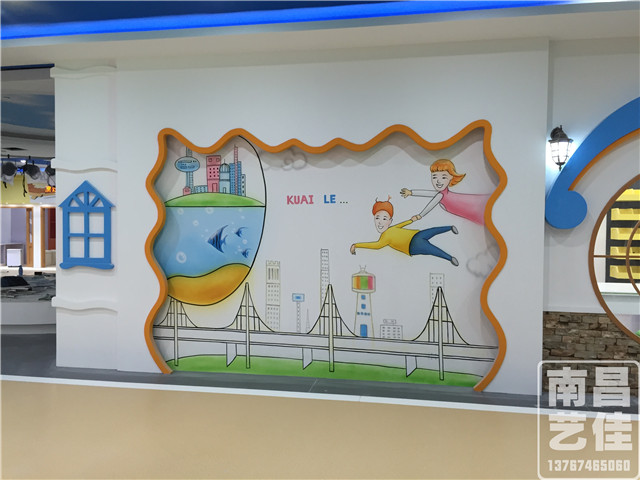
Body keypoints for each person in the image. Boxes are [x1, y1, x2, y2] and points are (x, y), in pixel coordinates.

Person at [350, 197, 458, 266]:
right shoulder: (384, 238)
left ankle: (449, 228)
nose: (380, 222)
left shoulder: (391, 228)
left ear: (390, 221)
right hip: (412, 246)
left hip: (417, 234)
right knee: (432, 249)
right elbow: (376, 245)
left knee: (433, 231)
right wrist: (356, 245)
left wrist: (411, 220)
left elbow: (401, 225)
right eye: (377, 218)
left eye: (384, 218)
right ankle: (450, 258)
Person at [400, 159, 489, 226]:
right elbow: (430, 194)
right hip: (467, 205)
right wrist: (411, 192)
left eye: (443, 177)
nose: (438, 181)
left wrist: (419, 216)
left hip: (469, 205)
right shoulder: (441, 194)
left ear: (451, 177)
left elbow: (432, 203)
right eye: (434, 177)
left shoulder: (440, 195)